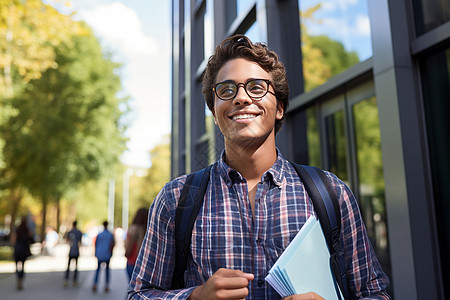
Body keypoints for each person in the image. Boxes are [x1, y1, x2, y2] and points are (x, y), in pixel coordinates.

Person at [127, 35, 390, 299]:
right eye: (227, 90)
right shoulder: (176, 199)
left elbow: (375, 292)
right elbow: (138, 294)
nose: (241, 97)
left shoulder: (331, 193)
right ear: (215, 112)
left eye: (256, 87)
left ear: (280, 108)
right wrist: (194, 297)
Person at [124, 208, 148, 281]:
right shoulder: (149, 230)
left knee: (132, 288)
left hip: (132, 262)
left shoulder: (132, 229)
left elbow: (128, 248)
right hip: (145, 264)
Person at [11, 216, 33, 290]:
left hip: (17, 249)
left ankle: (18, 277)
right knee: (23, 266)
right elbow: (31, 240)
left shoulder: (17, 229)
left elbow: (13, 240)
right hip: (24, 250)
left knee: (17, 266)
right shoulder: (27, 230)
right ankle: (20, 281)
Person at [92, 220, 115, 293]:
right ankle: (106, 285)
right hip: (107, 254)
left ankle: (95, 284)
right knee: (107, 271)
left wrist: (95, 253)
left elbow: (96, 244)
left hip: (99, 254)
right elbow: (113, 245)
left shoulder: (99, 234)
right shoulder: (110, 235)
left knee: (98, 270)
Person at [64, 220, 83, 287]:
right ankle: (74, 280)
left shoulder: (70, 232)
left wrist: (70, 244)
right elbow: (80, 242)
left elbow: (67, 240)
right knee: (75, 267)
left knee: (68, 266)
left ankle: (66, 280)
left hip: (71, 251)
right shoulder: (79, 232)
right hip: (76, 251)